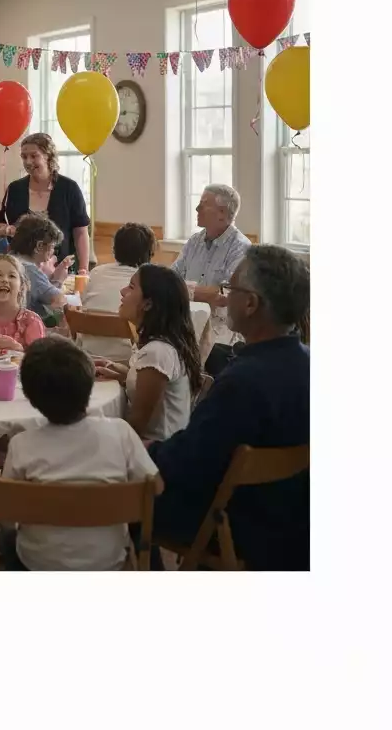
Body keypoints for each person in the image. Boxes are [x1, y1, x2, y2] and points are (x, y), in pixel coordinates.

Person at [146, 246, 310, 570]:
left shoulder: (243, 382)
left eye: (229, 289)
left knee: (129, 493)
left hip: (241, 526)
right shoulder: (309, 362)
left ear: (250, 304)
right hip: (296, 526)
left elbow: (189, 463)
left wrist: (143, 451)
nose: (226, 296)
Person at [0, 338, 161, 570]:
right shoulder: (121, 432)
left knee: (5, 539)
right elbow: (156, 487)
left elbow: (6, 514)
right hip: (107, 561)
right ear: (90, 385)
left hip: (38, 562)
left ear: (29, 396)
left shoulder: (20, 445)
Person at [94, 265, 202, 443]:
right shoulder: (160, 344)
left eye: (131, 286)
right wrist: (122, 374)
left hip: (156, 455)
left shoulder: (157, 352)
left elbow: (135, 427)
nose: (122, 292)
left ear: (148, 303)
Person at [0, 132, 92, 273]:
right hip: (20, 270)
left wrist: (84, 269)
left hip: (60, 268)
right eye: (24, 157)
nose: (28, 162)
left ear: (48, 156)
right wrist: (8, 230)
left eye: (34, 156)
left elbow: (81, 232)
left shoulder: (69, 188)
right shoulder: (15, 189)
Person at [171, 184, 251, 347]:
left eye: (204, 204)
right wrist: (203, 292)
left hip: (221, 334)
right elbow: (169, 281)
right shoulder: (194, 242)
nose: (197, 208)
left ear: (222, 213)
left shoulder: (241, 248)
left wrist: (181, 290)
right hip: (187, 326)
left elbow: (225, 295)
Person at [77, 222, 159, 361]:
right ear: (149, 252)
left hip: (88, 355)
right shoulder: (148, 281)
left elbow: (84, 302)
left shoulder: (97, 272)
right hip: (127, 358)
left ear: (115, 249)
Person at [7, 214, 71, 323]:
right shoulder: (29, 269)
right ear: (39, 246)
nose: (53, 252)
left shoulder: (8, 259)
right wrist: (58, 280)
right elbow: (58, 300)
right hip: (23, 330)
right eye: (52, 247)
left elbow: (41, 292)